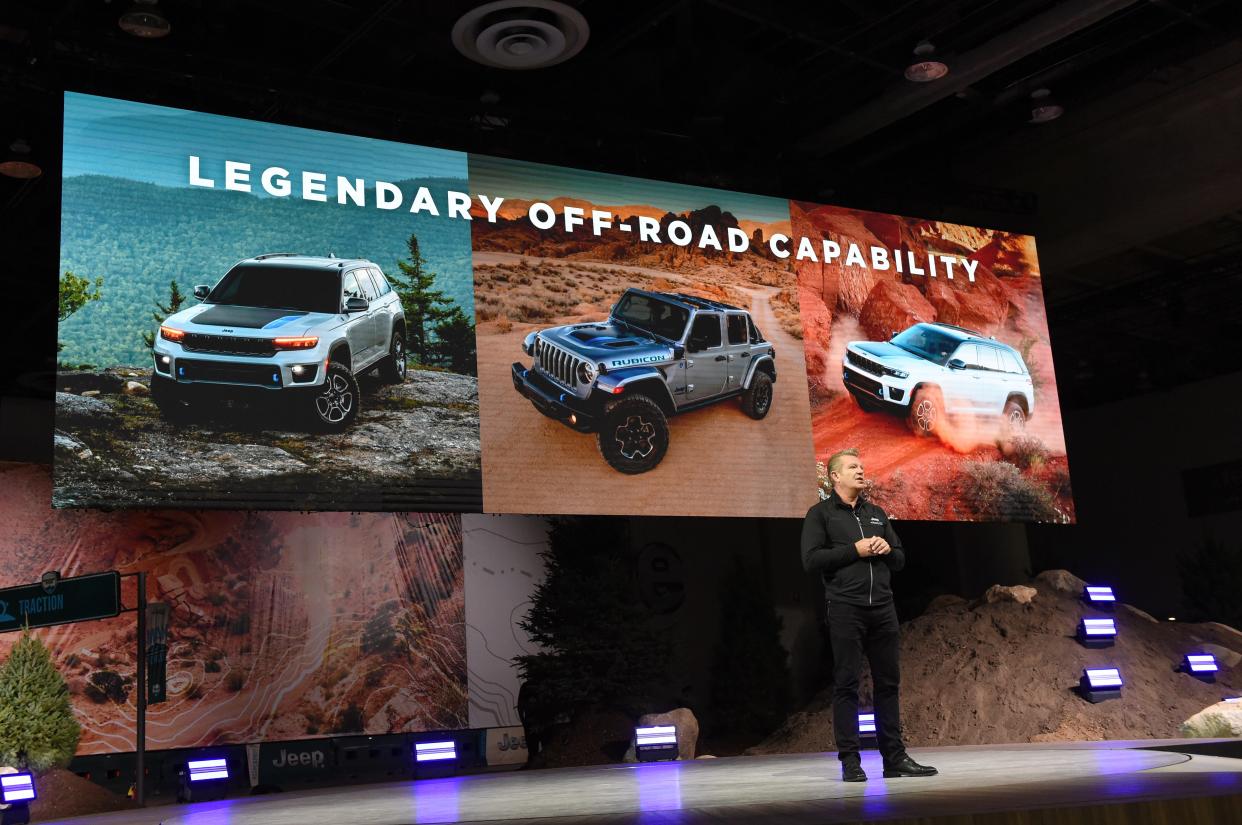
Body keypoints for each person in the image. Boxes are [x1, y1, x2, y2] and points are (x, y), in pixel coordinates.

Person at [801, 448, 938, 783]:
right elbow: (811, 560)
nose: (861, 471)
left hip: (884, 609)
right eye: (852, 467)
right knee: (846, 684)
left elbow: (901, 558)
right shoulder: (821, 514)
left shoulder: (876, 513)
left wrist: (888, 549)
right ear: (835, 476)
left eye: (862, 466)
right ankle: (850, 761)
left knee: (888, 684)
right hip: (846, 608)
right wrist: (854, 551)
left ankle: (894, 759)